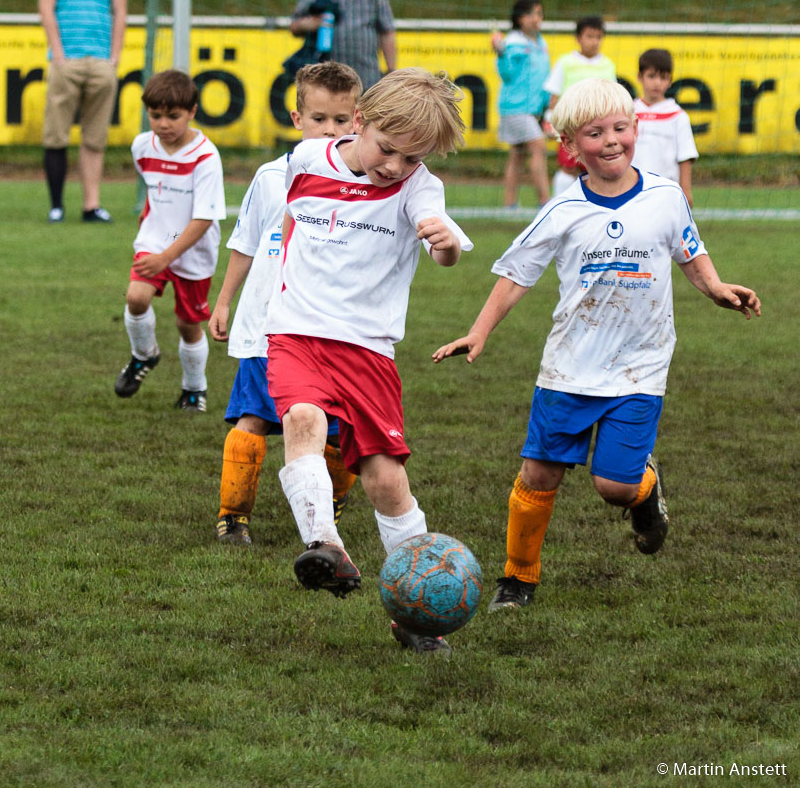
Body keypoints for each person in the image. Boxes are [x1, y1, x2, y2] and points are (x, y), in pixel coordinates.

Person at [433, 78, 760, 614]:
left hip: (640, 367)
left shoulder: (665, 196)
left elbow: (689, 252)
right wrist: (480, 329)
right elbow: (516, 275)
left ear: (635, 129)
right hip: (568, 365)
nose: (611, 141)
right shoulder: (561, 211)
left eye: (620, 128)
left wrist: (716, 288)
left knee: (613, 486)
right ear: (570, 146)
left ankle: (644, 491)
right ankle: (518, 579)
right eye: (595, 133)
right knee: (540, 474)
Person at [265, 68, 473, 656]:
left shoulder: (418, 188)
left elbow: (447, 252)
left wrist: (446, 244)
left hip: (367, 349)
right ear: (359, 121)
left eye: (413, 158)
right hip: (297, 333)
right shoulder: (304, 159)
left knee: (385, 481)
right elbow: (285, 223)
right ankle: (324, 544)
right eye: (387, 149)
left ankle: (418, 609)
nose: (395, 166)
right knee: (302, 420)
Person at [208, 62, 363, 546]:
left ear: (358, 120)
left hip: (332, 326)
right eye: (319, 119)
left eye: (340, 120)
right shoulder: (272, 176)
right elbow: (246, 241)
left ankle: (329, 505)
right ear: (297, 119)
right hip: (267, 322)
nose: (330, 130)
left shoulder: (368, 179)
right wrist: (224, 300)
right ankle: (233, 516)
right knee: (253, 415)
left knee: (338, 428)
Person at [114, 70, 226, 412]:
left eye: (173, 116)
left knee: (188, 324)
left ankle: (195, 388)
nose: (163, 124)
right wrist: (150, 214)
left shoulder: (205, 157)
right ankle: (143, 355)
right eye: (155, 115)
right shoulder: (141, 145)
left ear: (192, 111)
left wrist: (167, 257)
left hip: (194, 248)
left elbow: (204, 218)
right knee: (136, 297)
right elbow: (153, 183)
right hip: (155, 239)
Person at [35, 0, 132, 224]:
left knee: (95, 137)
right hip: (67, 58)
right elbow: (46, 8)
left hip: (102, 60)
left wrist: (114, 57)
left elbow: (120, 11)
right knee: (56, 134)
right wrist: (58, 54)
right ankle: (56, 205)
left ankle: (91, 205)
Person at [544, 15, 616, 197]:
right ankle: (560, 204)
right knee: (568, 167)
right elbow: (555, 95)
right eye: (589, 36)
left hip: (599, 129)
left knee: (596, 168)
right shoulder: (566, 62)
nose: (594, 42)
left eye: (598, 37)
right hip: (571, 127)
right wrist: (549, 120)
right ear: (578, 38)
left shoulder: (607, 65)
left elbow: (614, 97)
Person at [491, 0, 551, 208]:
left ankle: (510, 204)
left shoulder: (541, 42)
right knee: (538, 146)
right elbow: (506, 74)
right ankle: (545, 201)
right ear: (519, 19)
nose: (536, 18)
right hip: (515, 107)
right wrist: (500, 54)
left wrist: (545, 104)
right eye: (530, 14)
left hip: (533, 108)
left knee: (517, 155)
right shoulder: (513, 42)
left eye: (538, 13)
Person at [633, 48, 699, 207]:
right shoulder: (628, 111)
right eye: (651, 76)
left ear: (670, 81)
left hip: (666, 192)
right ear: (639, 77)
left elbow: (685, 156)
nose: (657, 83)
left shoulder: (678, 116)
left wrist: (686, 191)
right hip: (632, 190)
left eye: (663, 78)